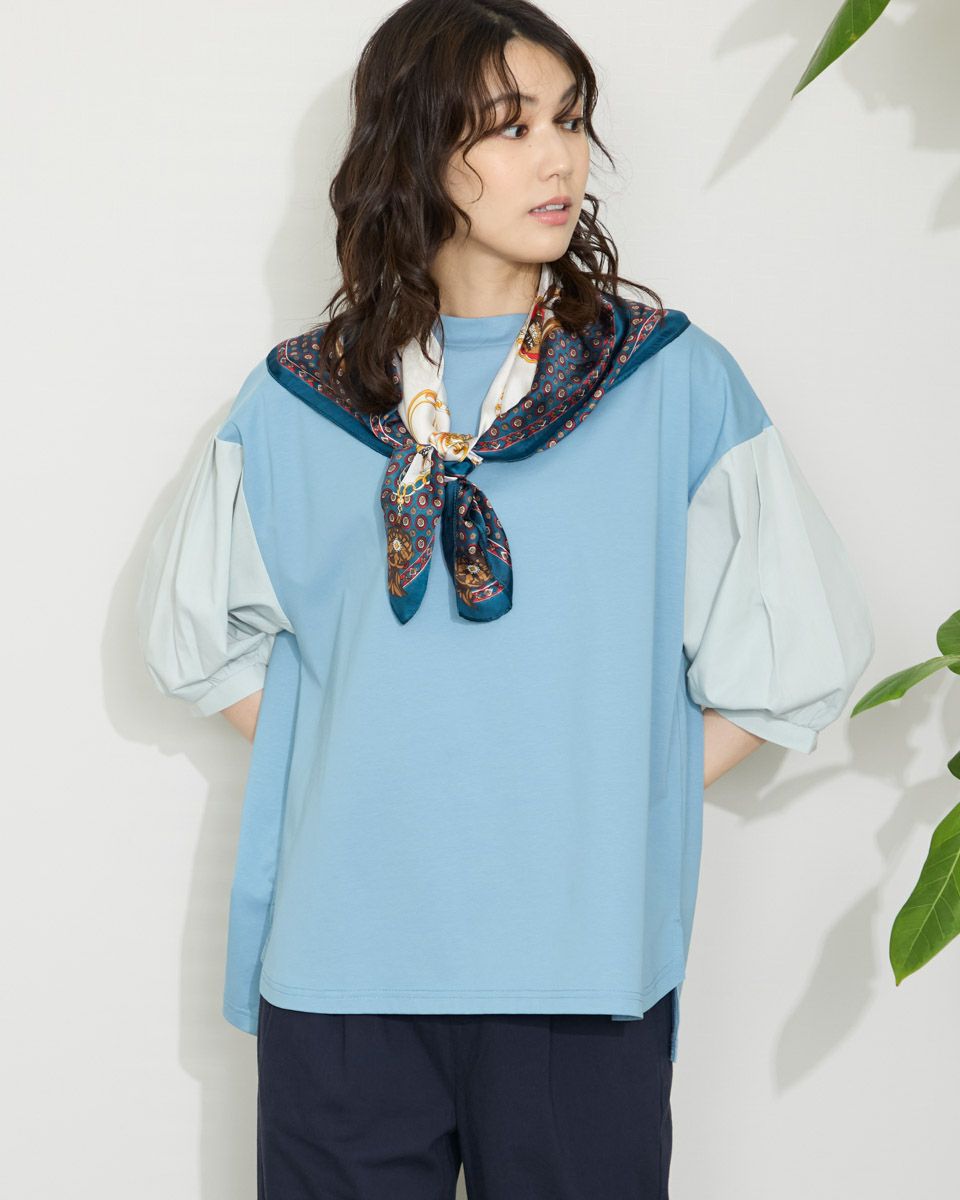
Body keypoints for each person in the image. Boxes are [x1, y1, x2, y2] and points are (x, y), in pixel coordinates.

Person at [136, 1, 876, 1196]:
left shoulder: (668, 382)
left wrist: (606, 786)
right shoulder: (302, 399)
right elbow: (196, 638)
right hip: (343, 969)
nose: (559, 158)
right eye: (512, 125)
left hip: (579, 974)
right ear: (416, 148)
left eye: (571, 121)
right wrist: (378, 768)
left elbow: (800, 648)